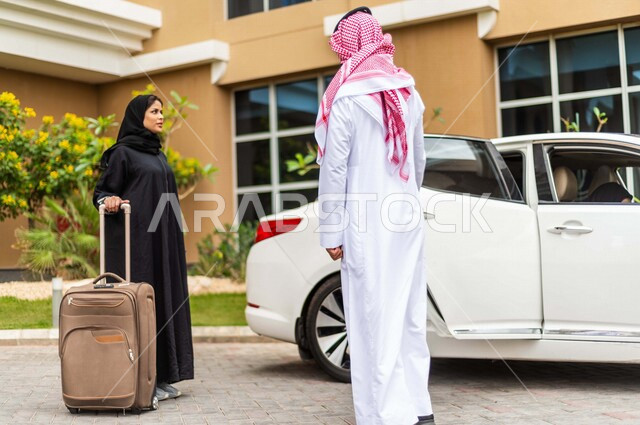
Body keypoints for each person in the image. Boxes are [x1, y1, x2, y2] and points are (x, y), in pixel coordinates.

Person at [315, 7, 434, 425]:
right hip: (405, 217)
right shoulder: (409, 92)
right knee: (408, 313)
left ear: (349, 43)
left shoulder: (344, 98)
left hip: (365, 221)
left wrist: (331, 230)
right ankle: (419, 407)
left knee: (371, 317)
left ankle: (386, 414)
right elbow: (417, 163)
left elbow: (333, 168)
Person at [93, 94, 194, 401]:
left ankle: (160, 376)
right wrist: (107, 201)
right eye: (154, 111)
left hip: (162, 241)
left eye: (162, 111)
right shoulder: (123, 153)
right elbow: (102, 192)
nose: (161, 116)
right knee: (140, 306)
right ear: (139, 117)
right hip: (136, 244)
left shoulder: (158, 155)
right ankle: (136, 381)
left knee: (162, 302)